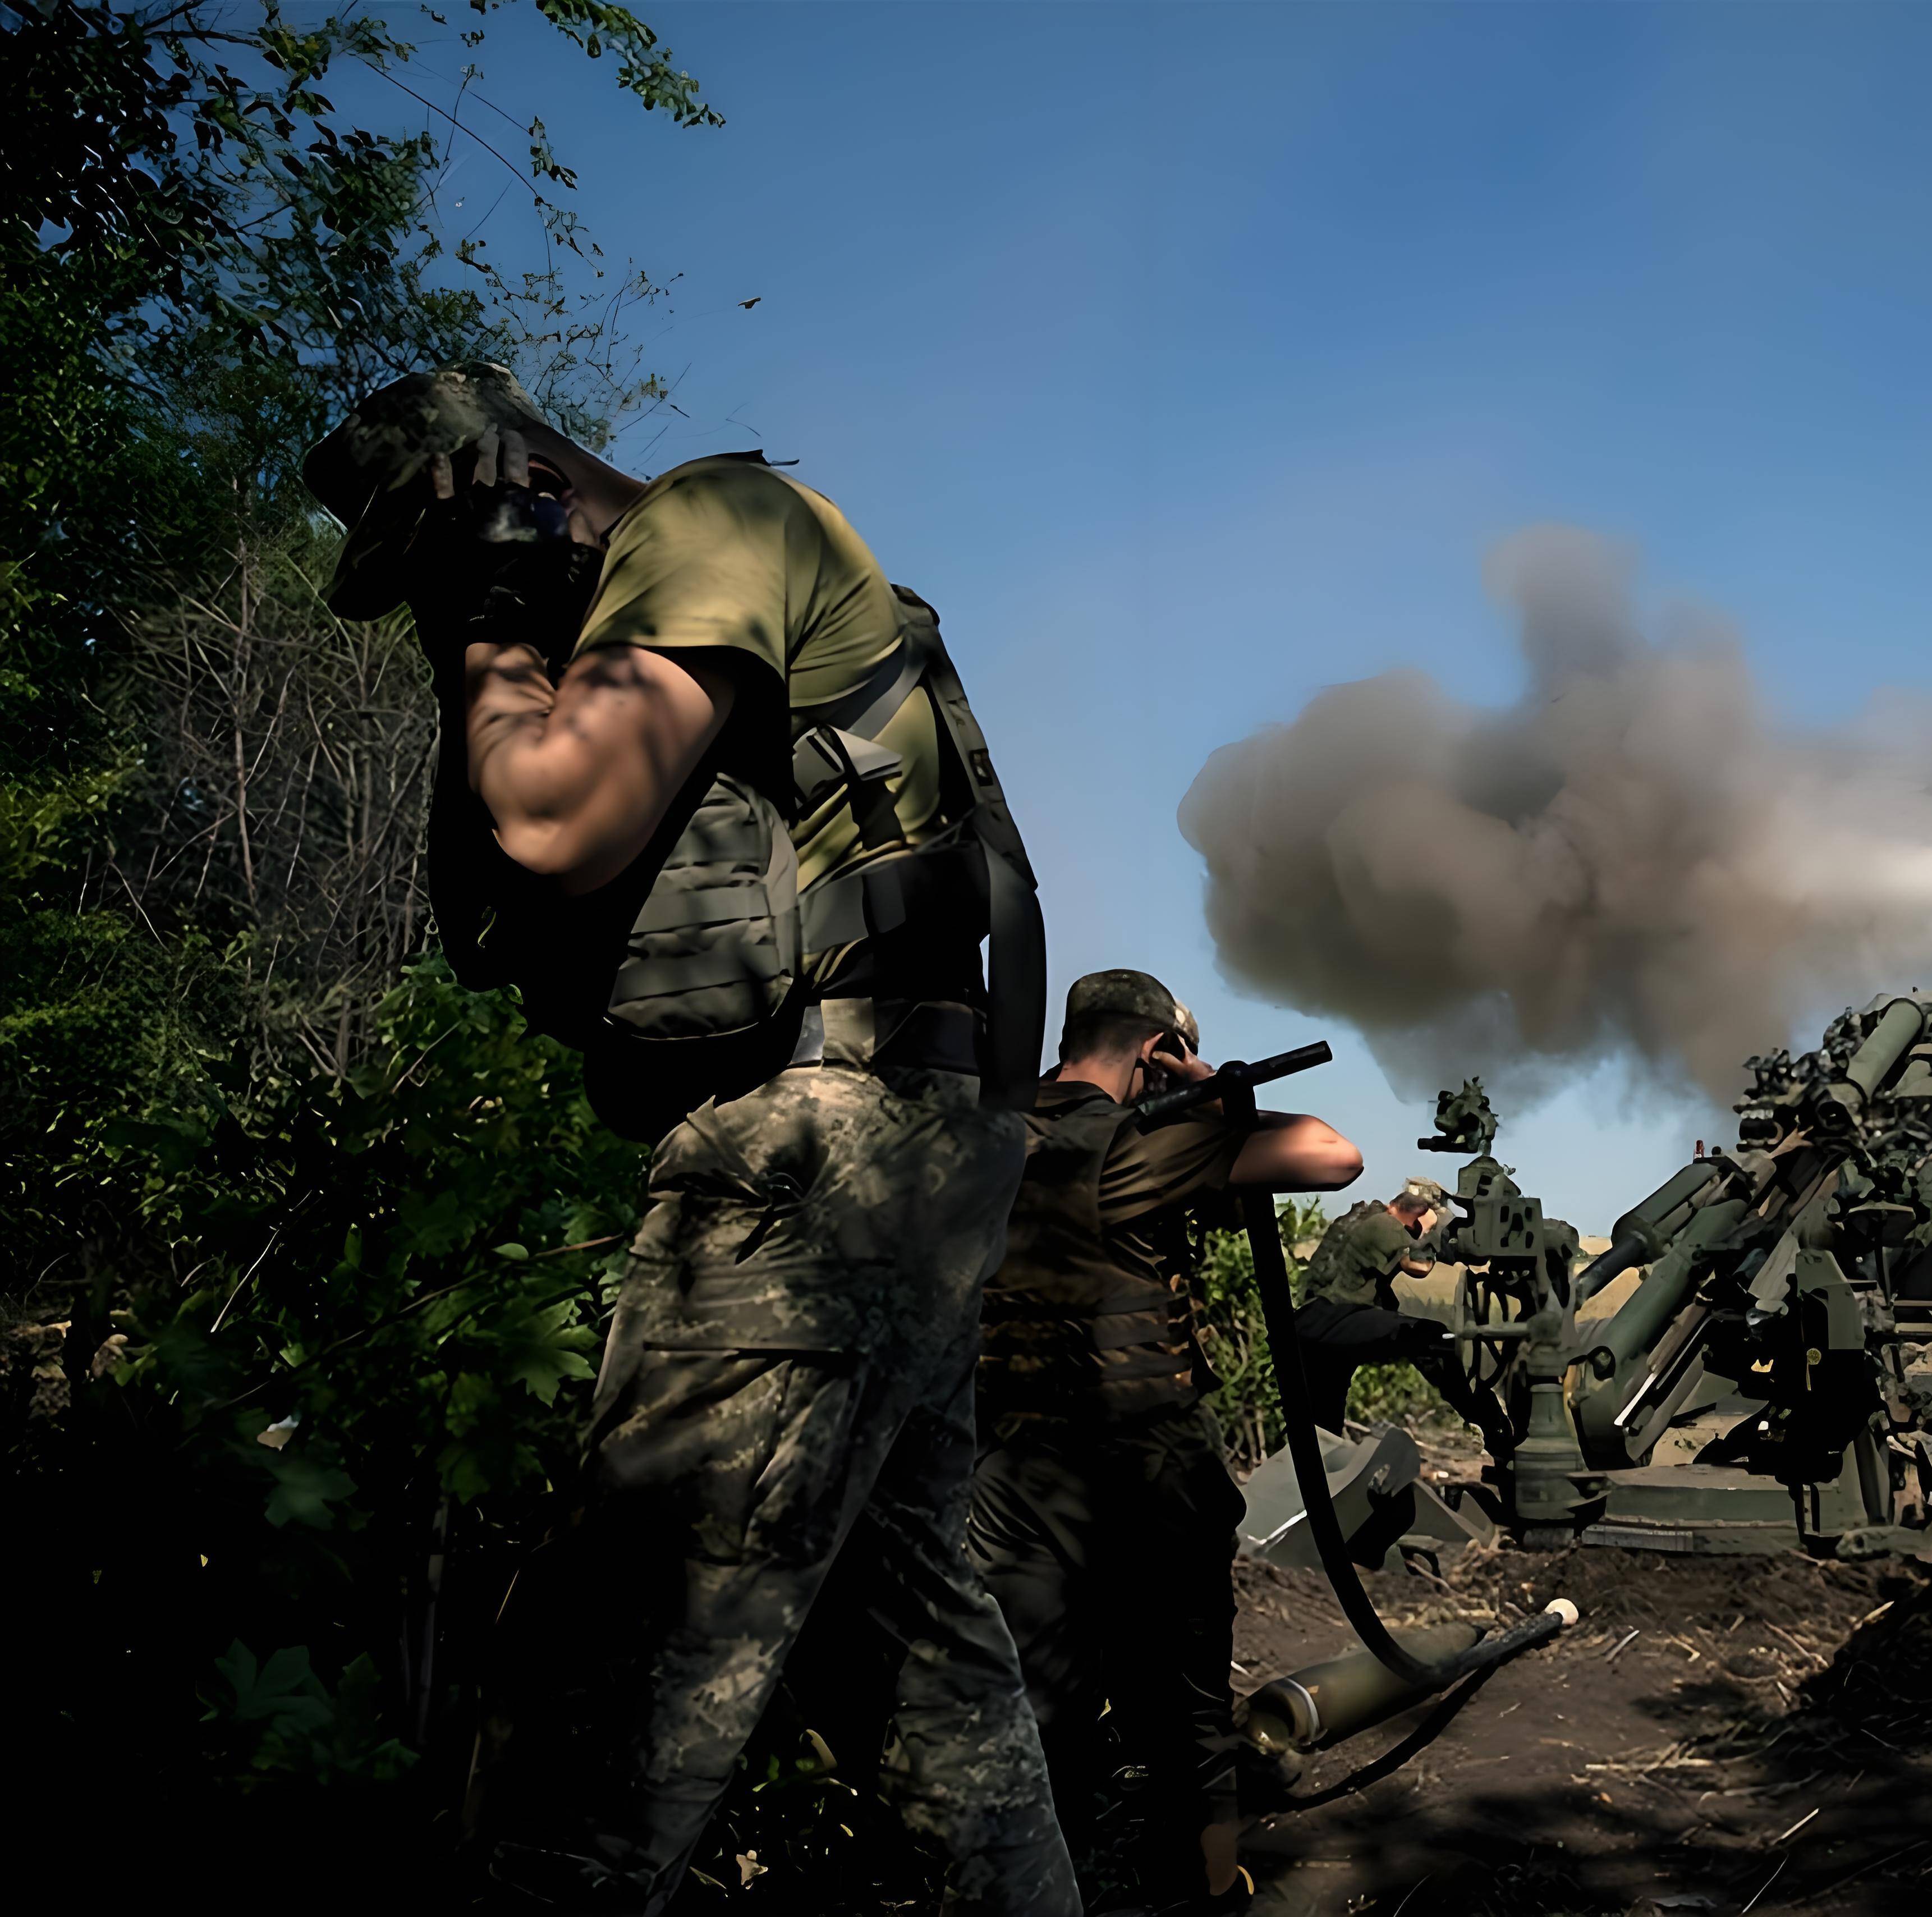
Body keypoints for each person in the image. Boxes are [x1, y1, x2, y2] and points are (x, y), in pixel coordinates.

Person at [300, 363, 1078, 1914]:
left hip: (812, 1167)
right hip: (909, 1154)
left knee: (591, 1716)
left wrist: (490, 623)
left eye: (427, 547)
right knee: (926, 1687)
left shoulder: (713, 520)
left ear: (496, 482)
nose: (429, 604)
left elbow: (550, 812)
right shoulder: (769, 557)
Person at [968, 970, 1362, 1913]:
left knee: (1037, 1705)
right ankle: (1209, 1888)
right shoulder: (1127, 1142)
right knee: (1185, 1717)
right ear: (1154, 1052)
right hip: (1147, 1474)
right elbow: (1331, 1154)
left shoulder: (987, 1130)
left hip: (1009, 1470)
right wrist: (1213, 1096)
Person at [1293, 1179, 1509, 1447]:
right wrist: (1430, 1231)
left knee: (1321, 1433)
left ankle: (1316, 1479)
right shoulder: (1384, 1224)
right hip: (1334, 1319)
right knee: (1433, 1339)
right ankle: (1487, 1419)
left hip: (1312, 1328)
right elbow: (1419, 1266)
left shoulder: (1364, 1220)